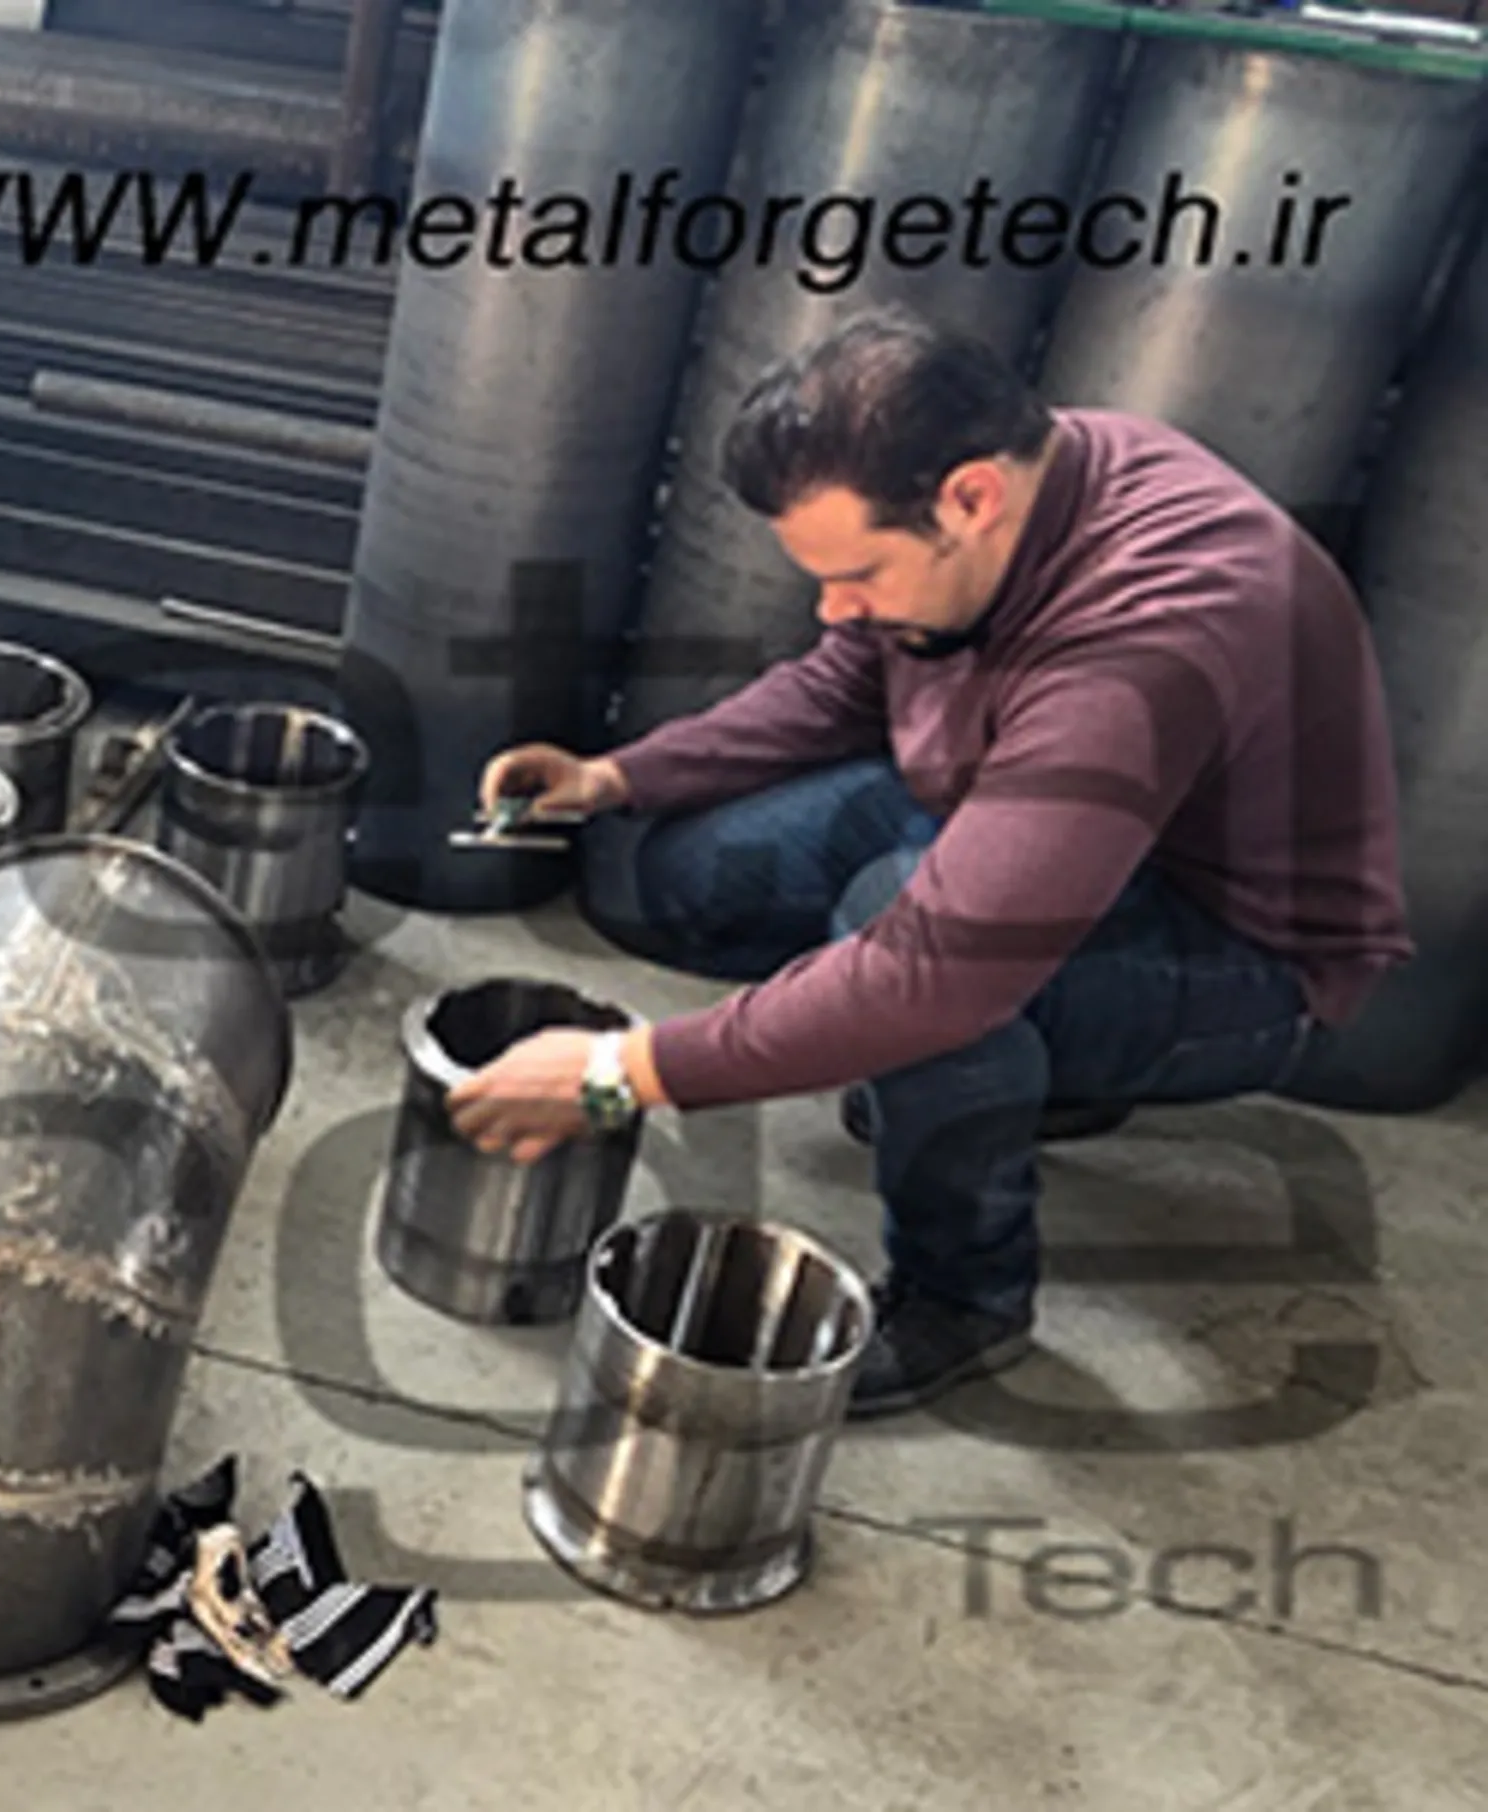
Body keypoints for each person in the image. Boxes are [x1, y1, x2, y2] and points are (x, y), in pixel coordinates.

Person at [444, 305, 1410, 1417]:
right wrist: (617, 776)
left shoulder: (1153, 633)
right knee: (689, 880)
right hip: (1049, 825)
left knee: (910, 957)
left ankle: (967, 1300)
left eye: (858, 573)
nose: (833, 606)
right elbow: (838, 686)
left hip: (1238, 951)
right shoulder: (1020, 479)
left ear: (970, 499)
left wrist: (620, 1074)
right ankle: (1011, 1082)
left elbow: (939, 971)